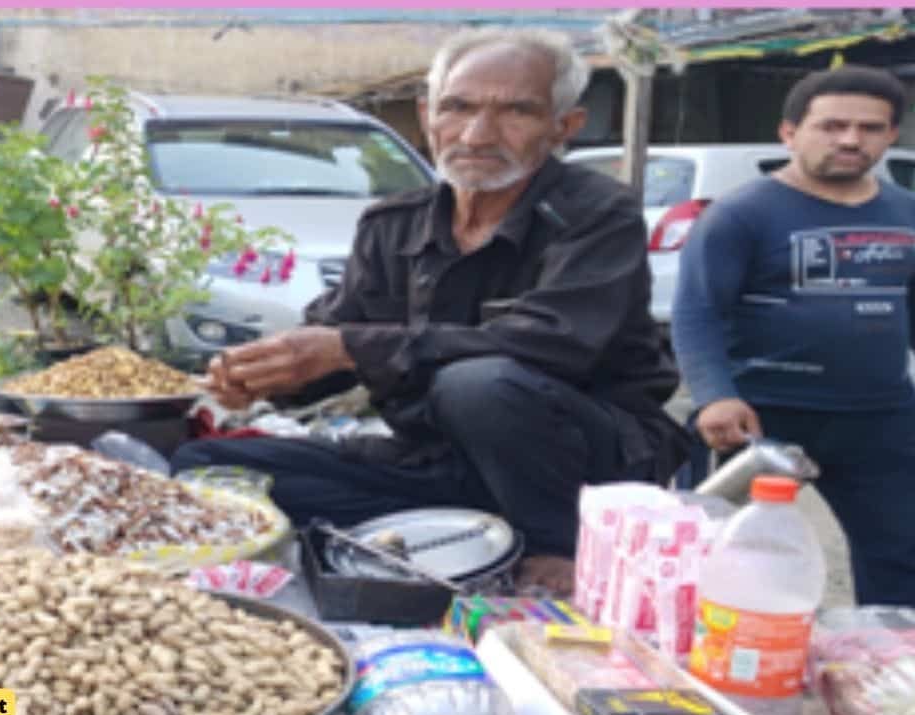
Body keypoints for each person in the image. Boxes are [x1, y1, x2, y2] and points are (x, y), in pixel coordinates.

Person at [171, 28, 688, 593]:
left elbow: (554, 343)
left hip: (578, 468)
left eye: (517, 111)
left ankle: (554, 547)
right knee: (207, 469)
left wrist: (350, 348)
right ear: (426, 116)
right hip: (439, 461)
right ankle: (466, 530)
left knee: (476, 385)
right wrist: (266, 375)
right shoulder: (394, 224)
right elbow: (336, 339)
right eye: (457, 107)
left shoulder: (597, 214)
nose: (477, 134)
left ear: (564, 127)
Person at [672, 65, 915, 606]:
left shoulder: (905, 214)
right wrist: (715, 396)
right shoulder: (742, 214)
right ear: (789, 133)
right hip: (759, 418)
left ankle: (888, 673)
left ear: (891, 136)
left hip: (880, 417)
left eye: (870, 128)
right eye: (832, 126)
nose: (851, 139)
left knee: (901, 554)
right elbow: (697, 314)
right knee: (727, 556)